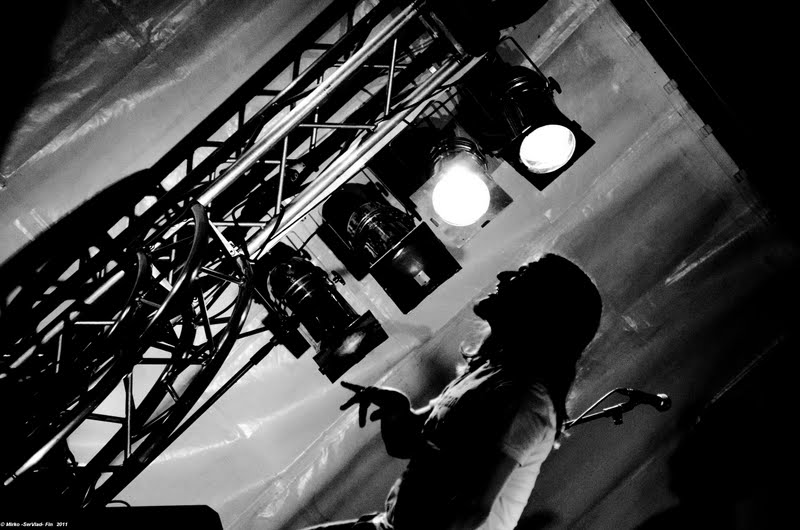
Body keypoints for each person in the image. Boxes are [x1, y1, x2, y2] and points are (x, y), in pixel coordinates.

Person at [303, 253, 602, 530]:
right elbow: (409, 443)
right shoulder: (490, 372)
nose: (503, 275)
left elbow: (471, 510)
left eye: (521, 275)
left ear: (542, 309)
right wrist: (397, 409)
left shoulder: (525, 399)